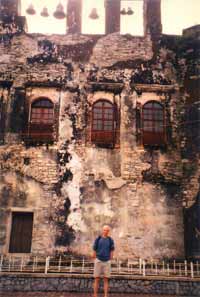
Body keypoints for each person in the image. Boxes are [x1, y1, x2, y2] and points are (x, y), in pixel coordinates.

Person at [92, 225, 115, 297]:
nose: (106, 231)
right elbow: (94, 248)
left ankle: (105, 295)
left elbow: (112, 249)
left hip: (107, 261)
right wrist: (94, 257)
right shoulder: (98, 239)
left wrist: (111, 257)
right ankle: (95, 295)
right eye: (105, 230)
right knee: (96, 278)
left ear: (109, 231)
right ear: (102, 230)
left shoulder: (110, 240)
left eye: (107, 230)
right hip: (98, 260)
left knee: (106, 279)